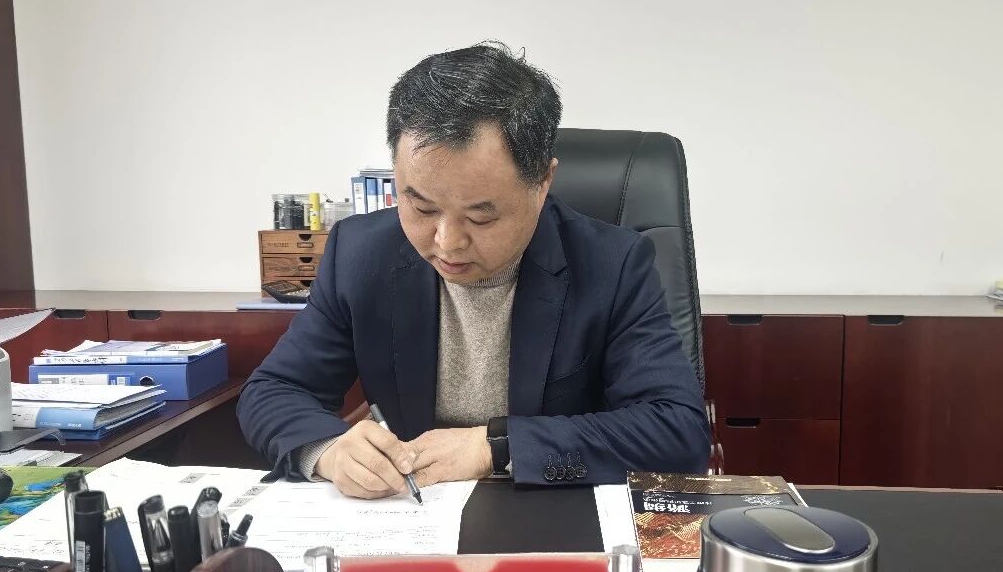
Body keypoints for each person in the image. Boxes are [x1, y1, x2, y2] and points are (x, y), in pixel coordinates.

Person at [238, 42, 710, 497]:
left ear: (543, 182)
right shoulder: (360, 254)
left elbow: (676, 431)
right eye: (422, 208)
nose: (447, 242)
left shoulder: (612, 264)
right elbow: (274, 390)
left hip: (547, 515)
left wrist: (497, 447)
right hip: (411, 519)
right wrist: (328, 450)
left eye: (481, 217)